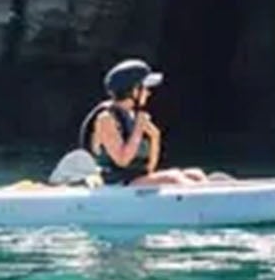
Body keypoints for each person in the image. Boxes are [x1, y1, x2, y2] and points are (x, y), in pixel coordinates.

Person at [79, 59, 211, 186]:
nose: (148, 93)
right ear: (134, 91)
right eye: (145, 88)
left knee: (195, 174)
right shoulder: (106, 119)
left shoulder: (132, 116)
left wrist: (154, 136)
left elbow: (149, 169)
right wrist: (139, 128)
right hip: (116, 183)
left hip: (133, 180)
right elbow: (122, 161)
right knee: (174, 178)